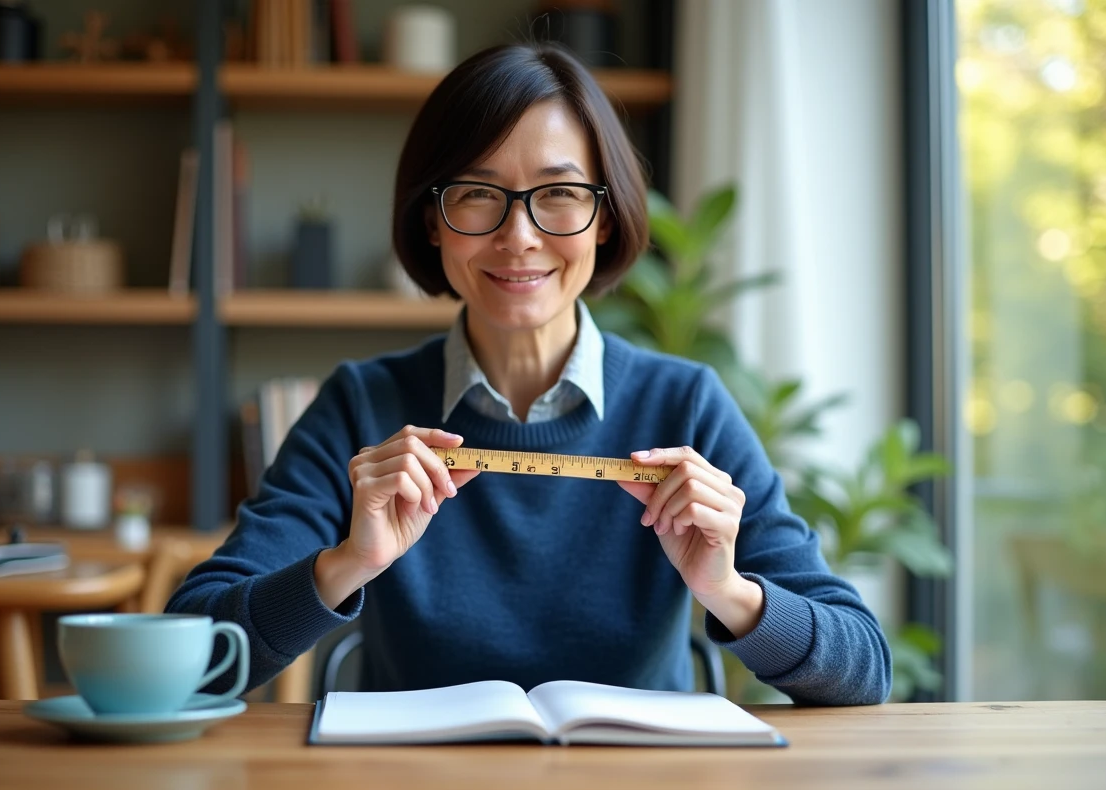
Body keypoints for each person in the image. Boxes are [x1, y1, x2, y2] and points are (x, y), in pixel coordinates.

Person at [168, 42, 891, 706]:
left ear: (604, 219)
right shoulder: (363, 406)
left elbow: (865, 668)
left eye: (560, 193)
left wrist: (729, 591)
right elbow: (188, 655)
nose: (519, 237)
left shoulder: (688, 405)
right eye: (478, 193)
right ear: (431, 220)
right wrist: (344, 565)